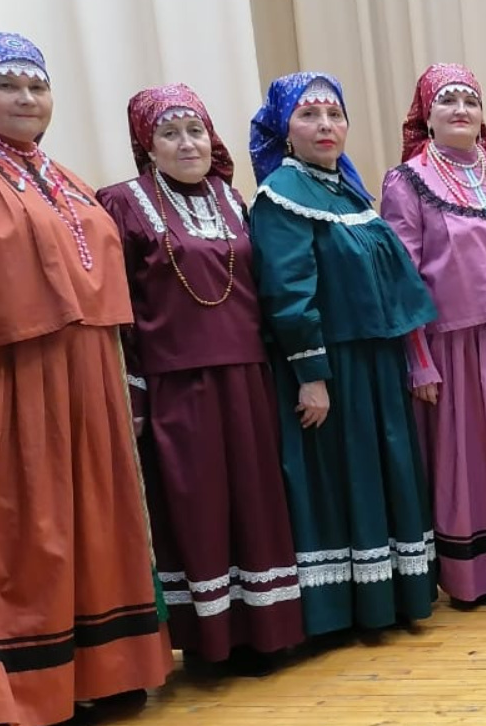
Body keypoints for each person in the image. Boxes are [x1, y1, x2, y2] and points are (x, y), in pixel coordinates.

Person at [98, 84, 305, 669]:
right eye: (170, 133)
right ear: (147, 143)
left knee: (257, 502)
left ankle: (267, 634)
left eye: (196, 131)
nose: (187, 144)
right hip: (177, 383)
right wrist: (134, 390)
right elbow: (122, 308)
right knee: (199, 507)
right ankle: (212, 642)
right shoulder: (122, 203)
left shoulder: (231, 198)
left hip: (248, 378)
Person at [0, 33, 171, 725]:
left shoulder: (61, 176)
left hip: (91, 366)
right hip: (21, 369)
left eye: (37, 86)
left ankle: (107, 665)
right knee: (33, 522)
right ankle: (33, 684)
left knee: (100, 514)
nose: (26, 98)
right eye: (8, 85)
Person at [248, 71, 439, 635]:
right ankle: (350, 608)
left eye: (334, 114)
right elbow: (287, 290)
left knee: (381, 471)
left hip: (374, 363)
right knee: (344, 478)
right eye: (309, 115)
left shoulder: (343, 188)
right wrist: (312, 375)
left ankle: (391, 597)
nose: (325, 125)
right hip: (335, 368)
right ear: (284, 129)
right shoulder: (283, 194)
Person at [380, 63, 486, 609]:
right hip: (449, 346)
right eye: (448, 100)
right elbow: (401, 277)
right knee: (466, 463)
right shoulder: (407, 181)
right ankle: (470, 576)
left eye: (470, 100)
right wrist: (418, 359)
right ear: (426, 116)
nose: (460, 109)